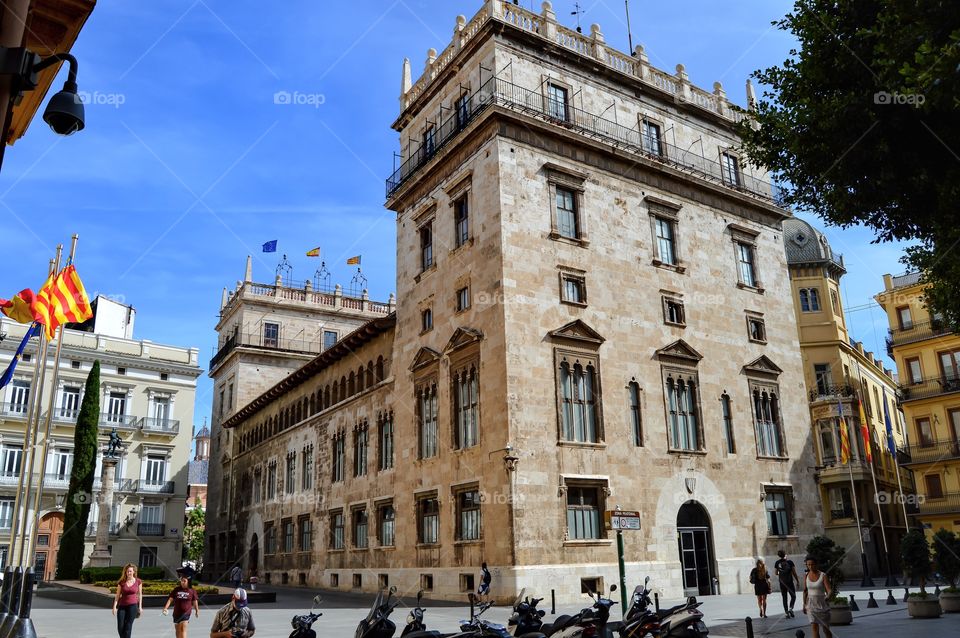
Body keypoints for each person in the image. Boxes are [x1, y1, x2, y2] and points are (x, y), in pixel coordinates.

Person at [802, 556, 833, 638]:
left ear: (816, 564)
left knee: (826, 630)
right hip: (811, 605)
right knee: (814, 628)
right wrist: (804, 604)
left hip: (822, 604)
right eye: (808, 565)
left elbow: (829, 590)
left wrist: (828, 596)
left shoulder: (823, 575)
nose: (810, 567)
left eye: (812, 564)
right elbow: (805, 591)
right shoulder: (806, 576)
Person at [163, 572, 200, 638]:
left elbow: (195, 601)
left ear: (188, 582)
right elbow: (170, 599)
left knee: (183, 629)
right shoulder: (176, 589)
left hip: (186, 613)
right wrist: (165, 608)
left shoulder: (192, 590)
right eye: (181, 581)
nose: (182, 582)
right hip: (176, 613)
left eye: (184, 581)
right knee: (178, 631)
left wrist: (197, 610)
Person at [112, 563, 142, 638]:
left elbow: (140, 595)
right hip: (122, 606)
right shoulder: (121, 582)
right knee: (120, 627)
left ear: (134, 572)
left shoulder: (138, 581)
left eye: (130, 571)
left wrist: (140, 607)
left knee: (128, 627)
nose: (129, 573)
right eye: (127, 571)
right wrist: (114, 607)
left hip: (133, 606)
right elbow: (117, 595)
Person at [774, 549, 801, 618]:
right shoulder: (790, 562)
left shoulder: (777, 563)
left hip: (782, 582)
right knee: (793, 596)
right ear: (785, 554)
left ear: (779, 556)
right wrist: (797, 581)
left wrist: (781, 571)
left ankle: (786, 613)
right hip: (789, 582)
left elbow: (776, 573)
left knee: (784, 597)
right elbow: (794, 572)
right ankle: (791, 608)